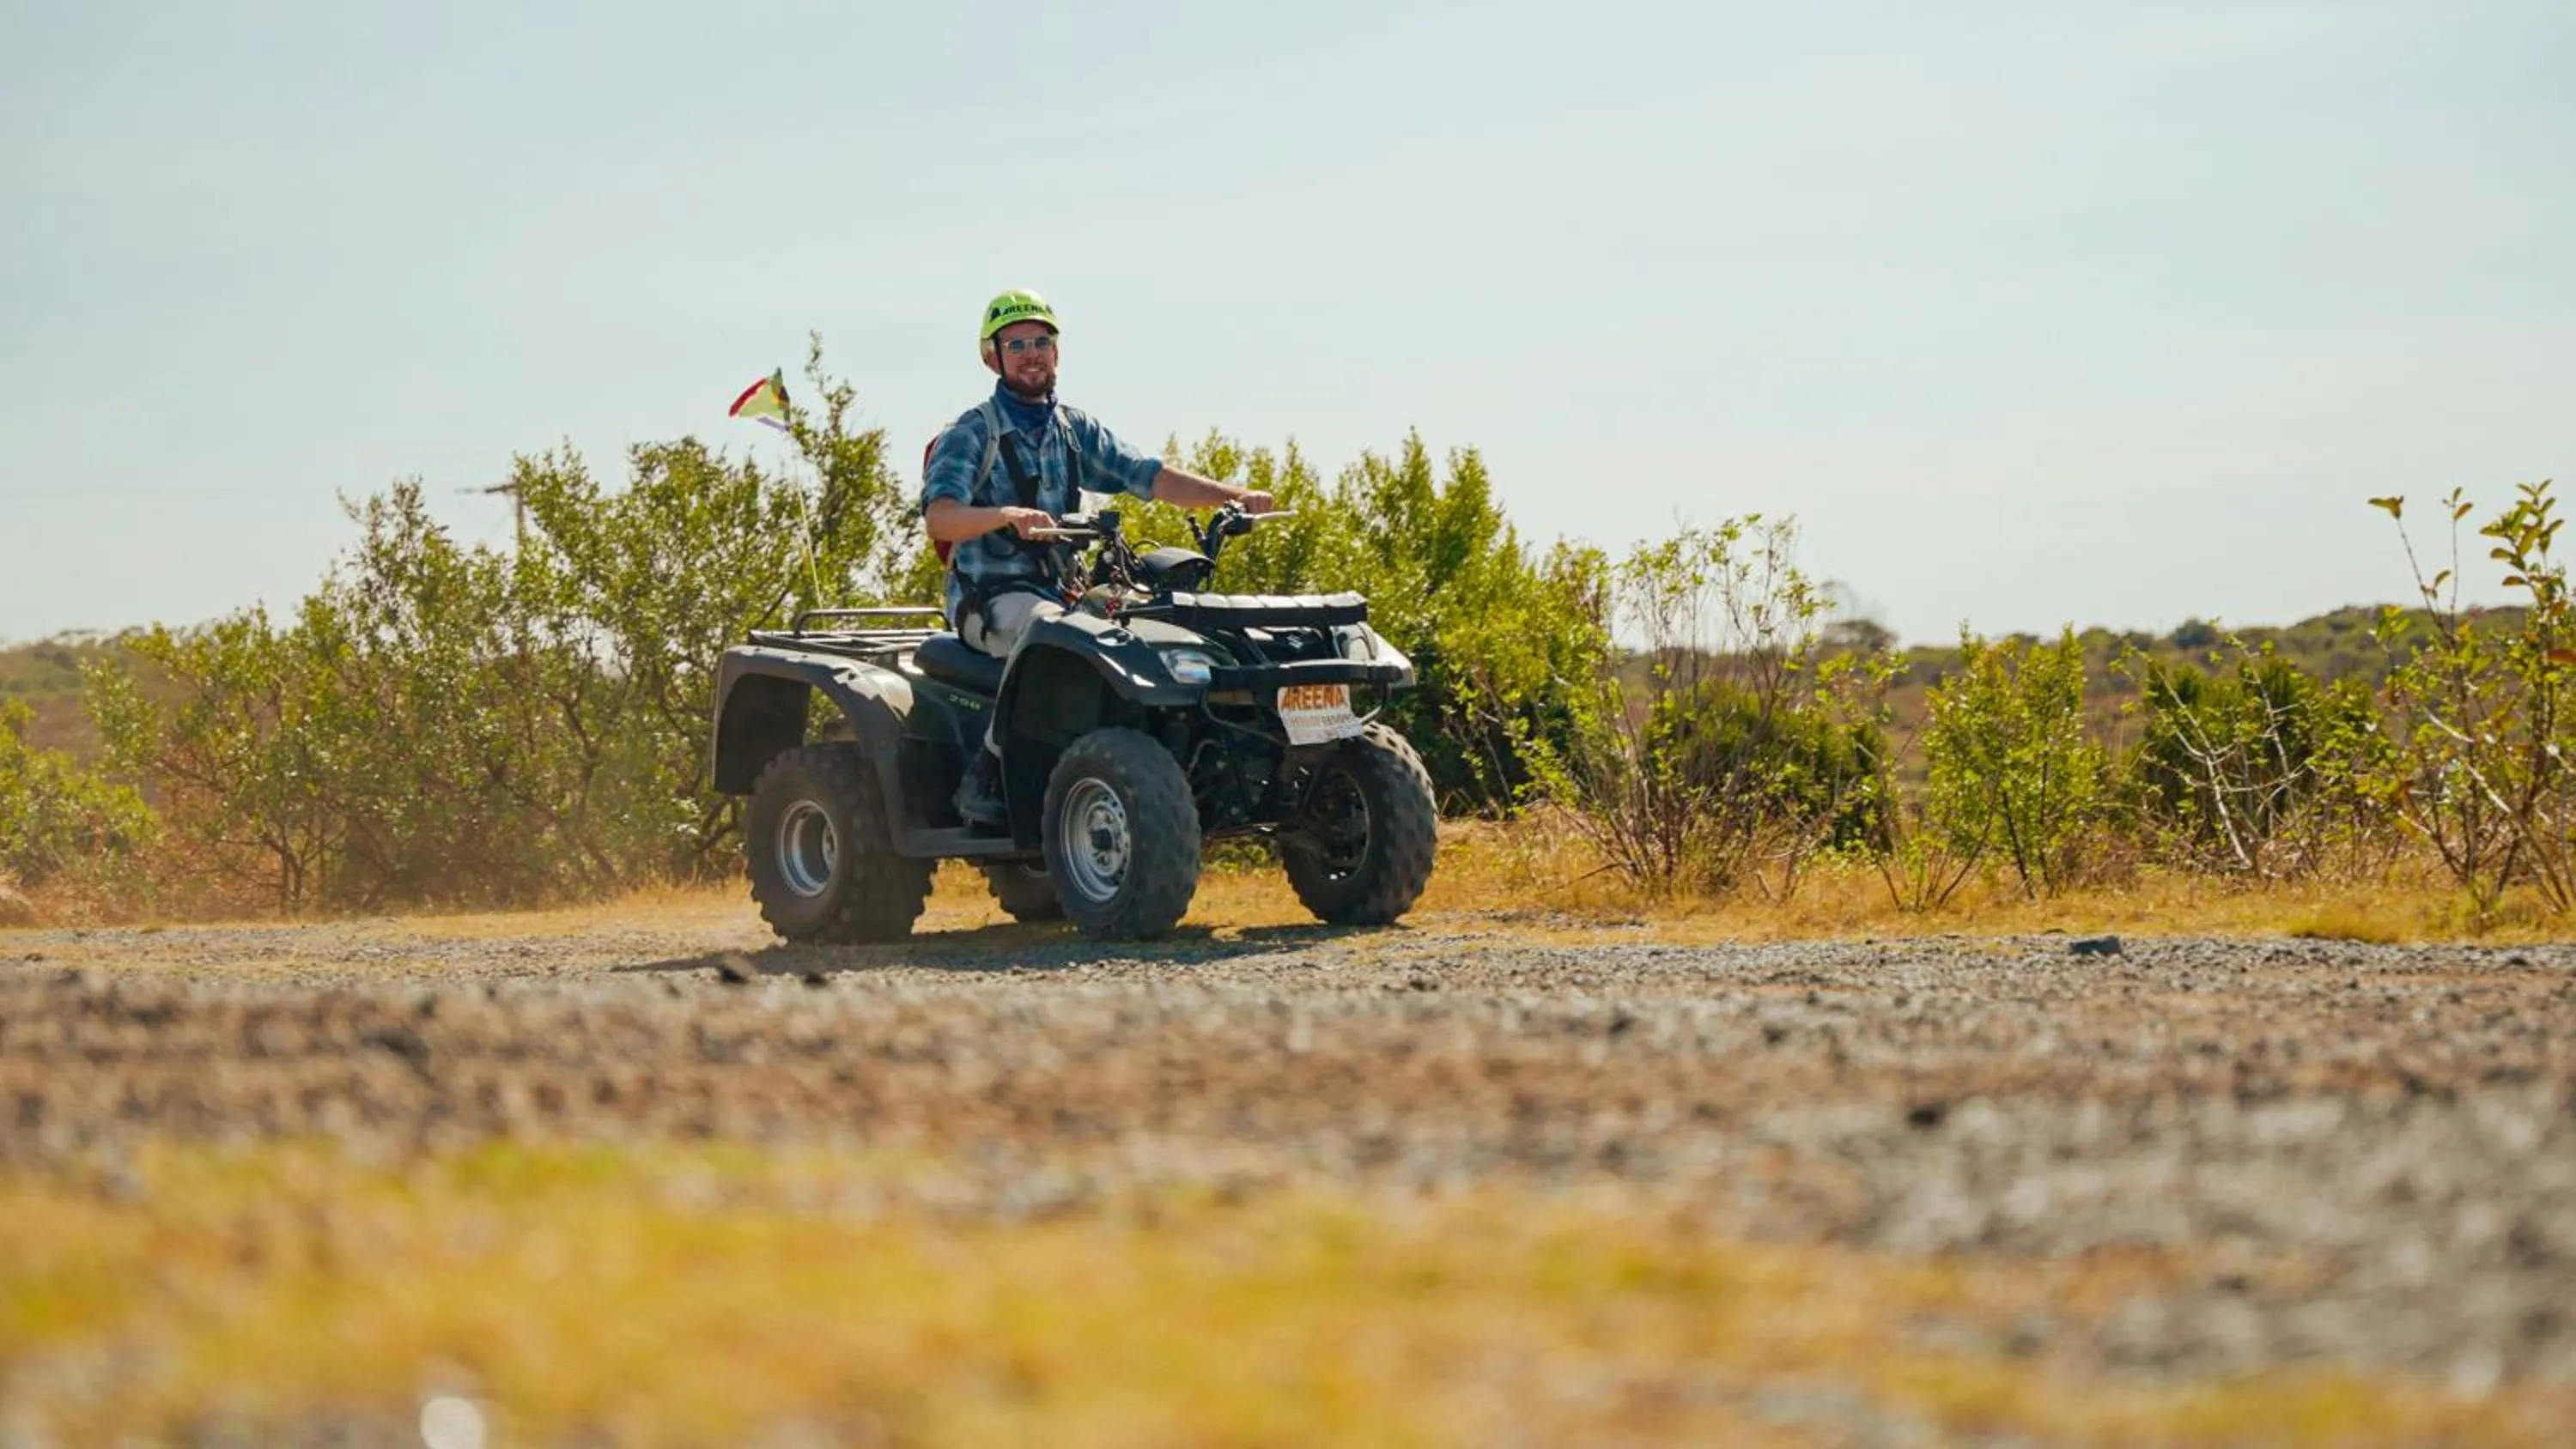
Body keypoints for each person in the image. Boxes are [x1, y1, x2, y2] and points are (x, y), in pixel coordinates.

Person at [922, 288, 1273, 828]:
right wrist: (1005, 515)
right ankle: (990, 769)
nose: (1031, 353)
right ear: (992, 357)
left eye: (1041, 341)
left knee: (1166, 620)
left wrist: (1232, 495)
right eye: (1016, 344)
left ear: (1057, 352)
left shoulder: (1073, 429)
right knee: (1046, 629)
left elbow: (1150, 476)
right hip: (993, 600)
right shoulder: (972, 433)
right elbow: (941, 517)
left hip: (1066, 592)